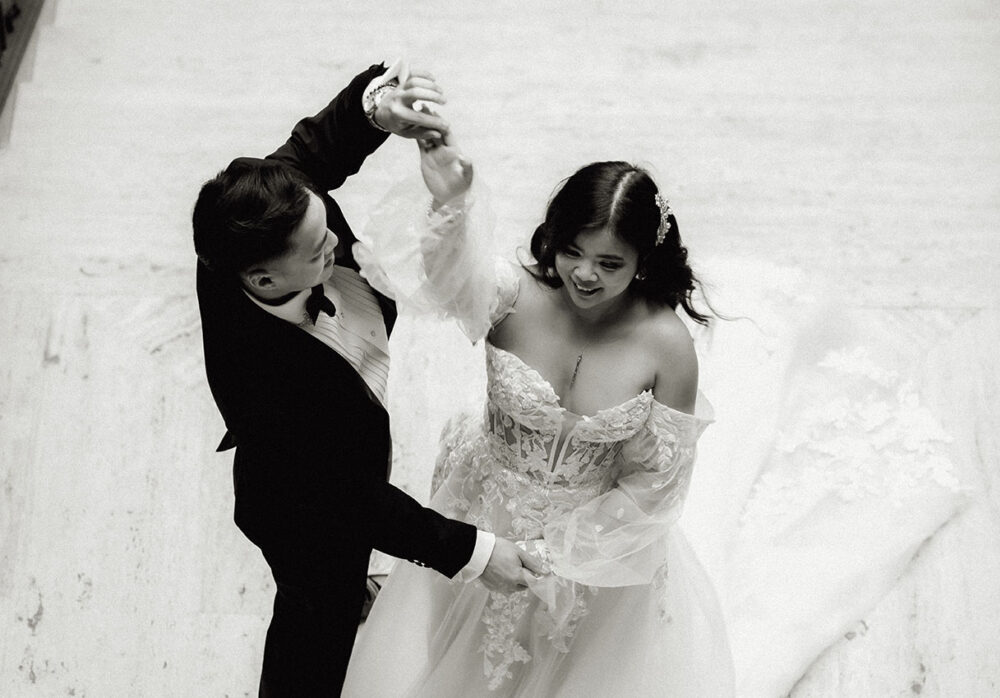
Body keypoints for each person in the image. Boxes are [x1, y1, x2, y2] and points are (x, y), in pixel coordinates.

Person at [191, 61, 543, 697]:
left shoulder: (266, 209)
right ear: (263, 282)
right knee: (315, 620)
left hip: (336, 447)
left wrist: (378, 105)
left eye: (327, 222)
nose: (339, 245)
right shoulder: (267, 385)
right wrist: (476, 553)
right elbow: (353, 500)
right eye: (318, 249)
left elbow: (311, 150)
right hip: (299, 506)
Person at [341, 132, 736, 695]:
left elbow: (657, 485)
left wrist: (560, 554)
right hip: (483, 508)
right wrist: (449, 203)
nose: (584, 274)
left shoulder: (665, 345)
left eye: (609, 262)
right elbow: (444, 280)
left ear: (643, 262)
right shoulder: (511, 293)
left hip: (596, 545)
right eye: (572, 250)